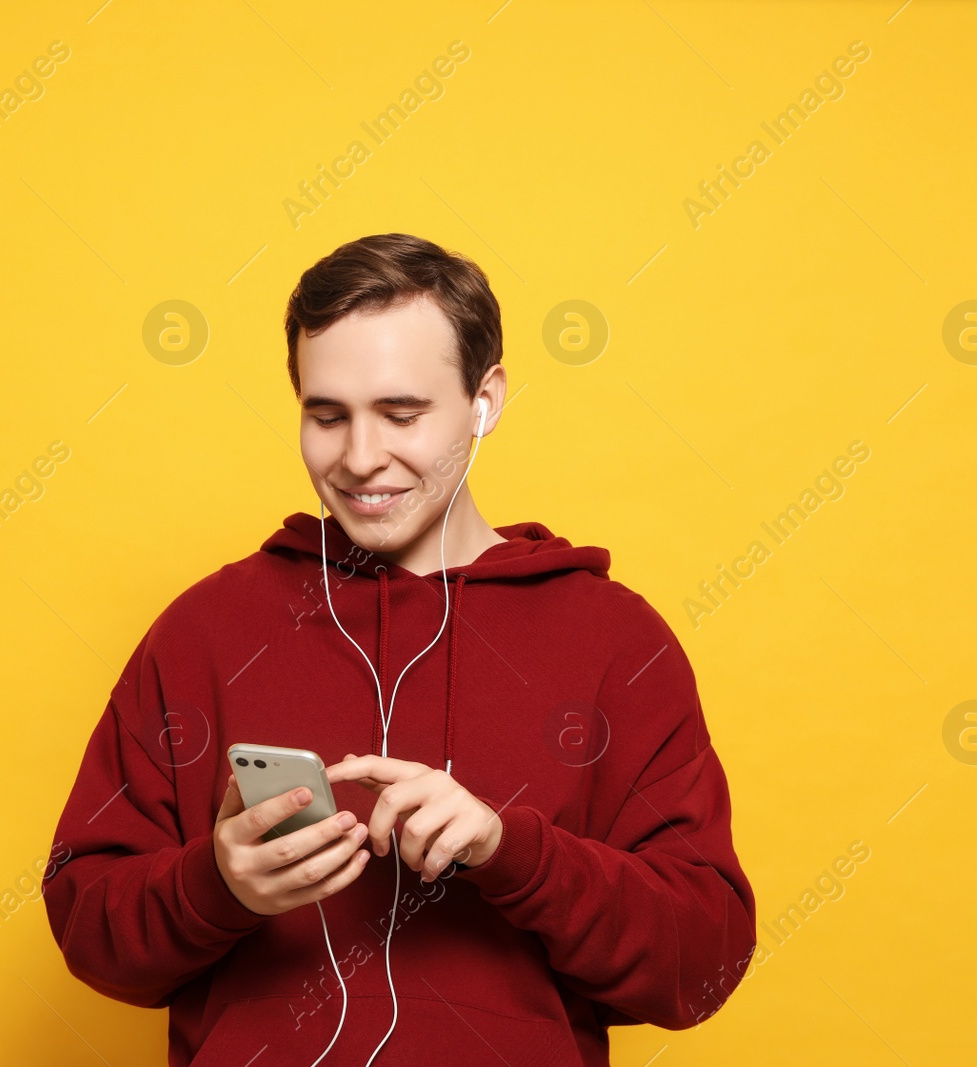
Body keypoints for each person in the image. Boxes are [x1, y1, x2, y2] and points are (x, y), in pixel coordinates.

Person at [43, 233, 757, 1066]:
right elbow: (86, 922)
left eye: (402, 413)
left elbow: (702, 963)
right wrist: (218, 884)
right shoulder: (206, 629)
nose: (359, 458)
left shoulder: (616, 641)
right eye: (327, 414)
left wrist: (511, 850)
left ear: (485, 399)